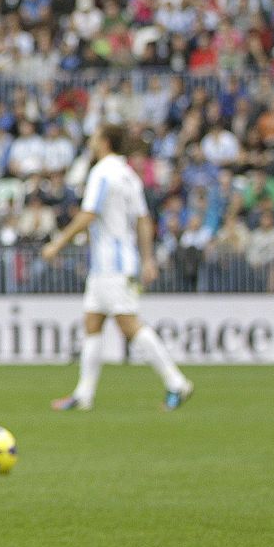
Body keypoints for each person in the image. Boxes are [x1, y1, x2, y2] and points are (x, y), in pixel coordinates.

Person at [44, 122, 194, 411]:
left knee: (128, 325)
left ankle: (177, 382)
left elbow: (88, 215)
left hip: (111, 264)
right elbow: (143, 219)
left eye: (95, 136)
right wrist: (147, 258)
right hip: (113, 263)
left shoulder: (102, 172)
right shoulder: (128, 175)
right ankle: (84, 395)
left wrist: (57, 244)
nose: (91, 141)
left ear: (104, 142)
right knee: (93, 323)